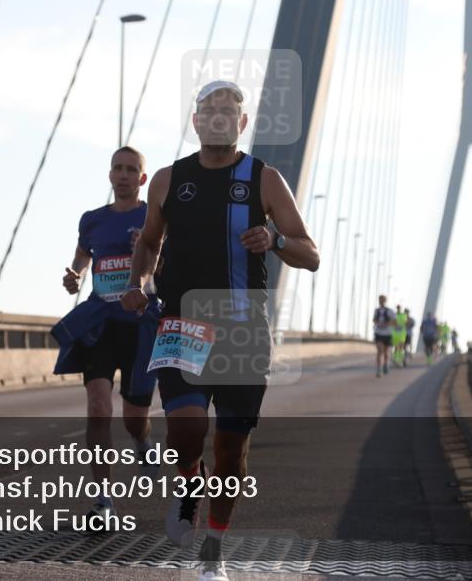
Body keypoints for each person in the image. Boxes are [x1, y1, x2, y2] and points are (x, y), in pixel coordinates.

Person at [121, 80, 320, 581]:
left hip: (243, 330)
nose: (218, 118)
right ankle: (190, 485)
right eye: (209, 110)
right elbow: (147, 243)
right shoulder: (167, 179)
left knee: (231, 455)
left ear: (242, 123)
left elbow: (310, 253)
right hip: (181, 323)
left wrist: (274, 239)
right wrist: (139, 282)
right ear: (195, 122)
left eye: (229, 111)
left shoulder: (264, 179)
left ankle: (214, 547)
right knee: (185, 433)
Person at [52, 146, 159, 531]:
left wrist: (147, 256)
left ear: (142, 179)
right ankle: (102, 501)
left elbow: (170, 256)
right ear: (110, 175)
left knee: (133, 420)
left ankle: (144, 444)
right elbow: (82, 256)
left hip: (139, 322)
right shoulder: (92, 220)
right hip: (100, 322)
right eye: (118, 168)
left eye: (132, 169)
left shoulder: (153, 214)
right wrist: (76, 275)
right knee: (98, 407)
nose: (124, 175)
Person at [372, 295, 393, 376]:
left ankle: (386, 364)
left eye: (382, 300)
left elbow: (394, 322)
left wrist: (386, 324)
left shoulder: (390, 311)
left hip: (387, 334)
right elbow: (374, 319)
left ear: (385, 301)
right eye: (380, 300)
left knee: (386, 352)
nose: (381, 302)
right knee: (380, 351)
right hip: (379, 333)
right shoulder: (376, 311)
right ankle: (378, 369)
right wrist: (377, 323)